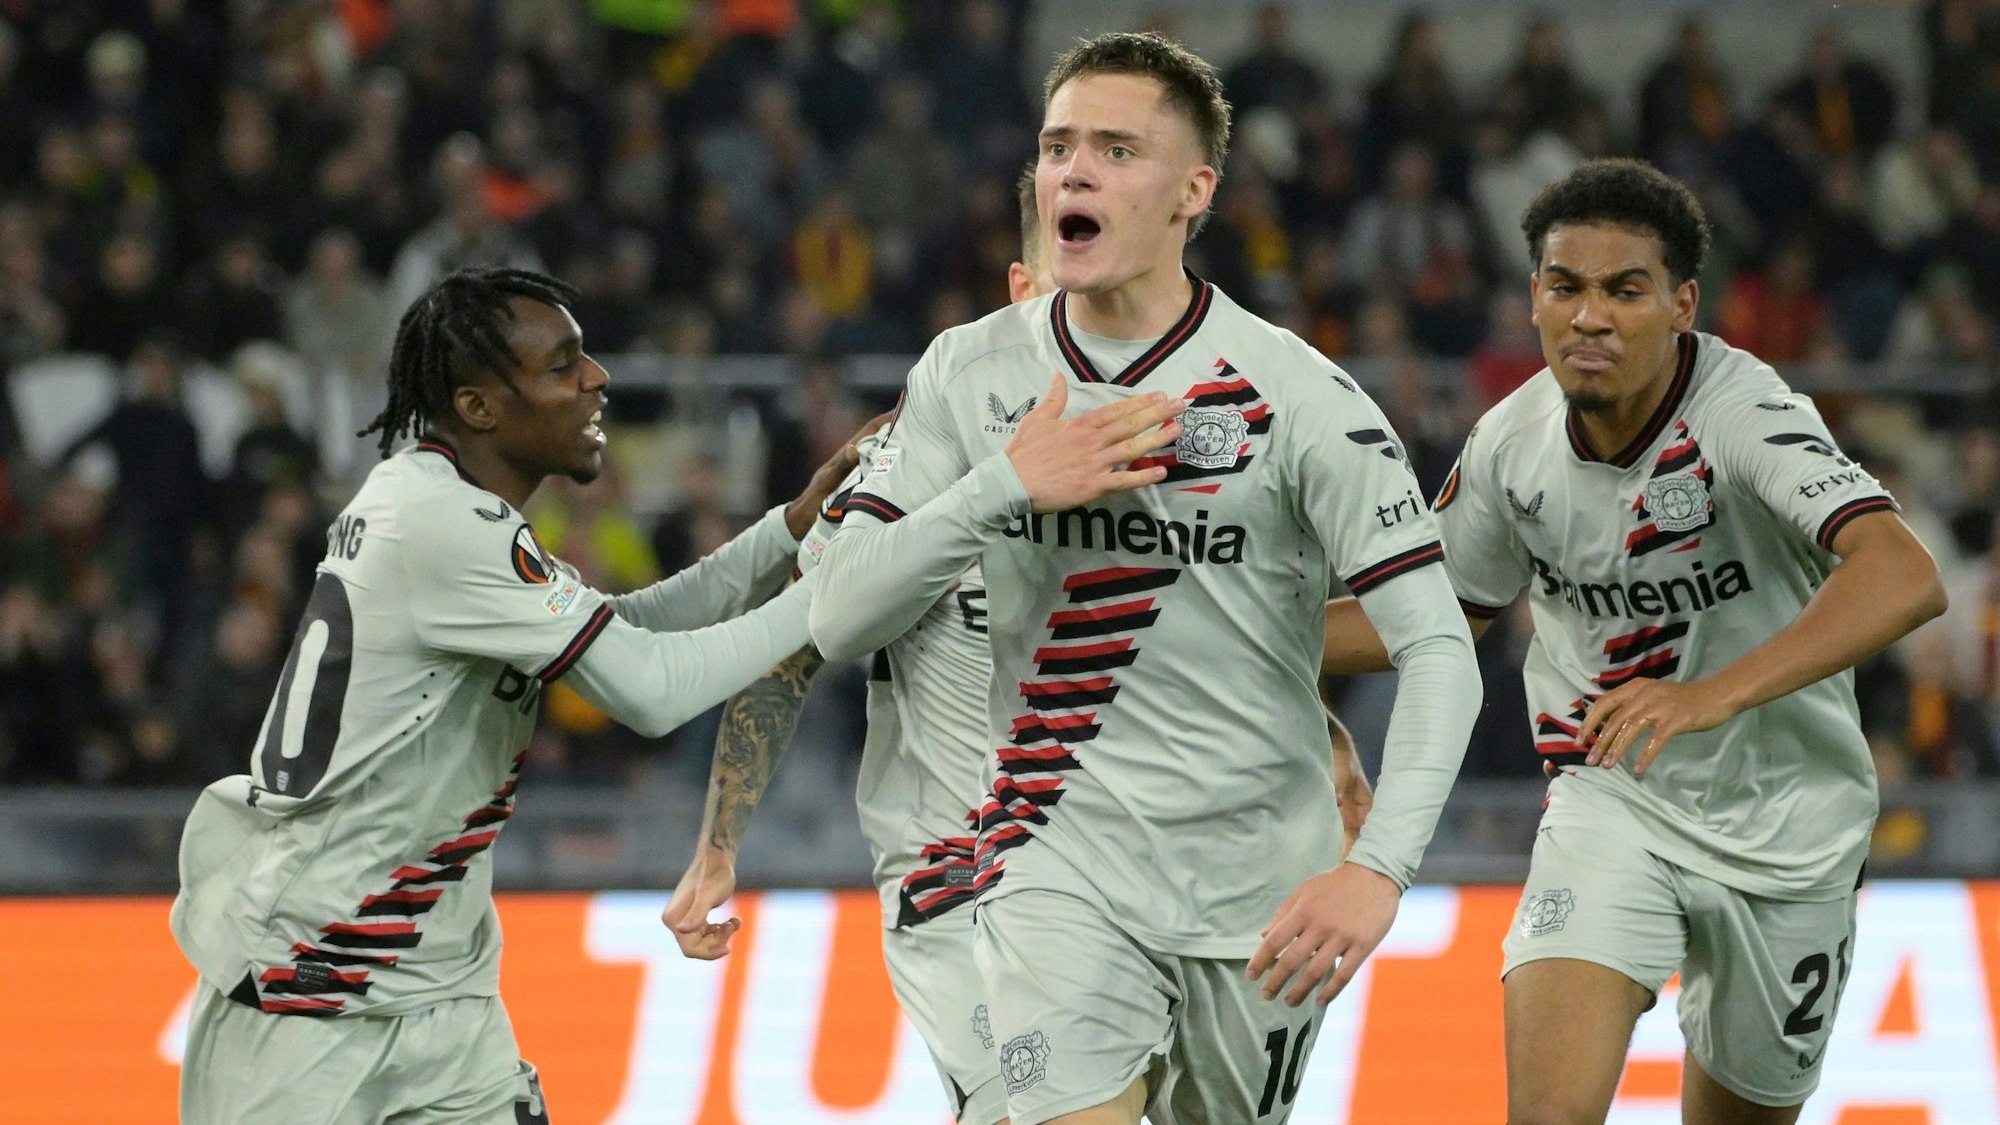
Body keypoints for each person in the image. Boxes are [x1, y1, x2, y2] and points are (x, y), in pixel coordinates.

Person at [811, 32, 1478, 1125]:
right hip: (1046, 862)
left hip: (1258, 890)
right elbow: (837, 616)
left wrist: (1379, 872)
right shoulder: (967, 372)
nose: (1072, 171)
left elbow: (1438, 651)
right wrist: (1001, 487)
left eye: (1117, 150)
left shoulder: (1298, 397)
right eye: (1056, 146)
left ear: (1192, 191)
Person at [663, 162, 1384, 1125]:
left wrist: (1323, 739)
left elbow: (1208, 640)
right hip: (960, 874)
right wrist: (718, 843)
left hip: (1159, 864)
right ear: (1019, 287)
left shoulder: (1165, 443)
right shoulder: (916, 448)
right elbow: (790, 645)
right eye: (1070, 284)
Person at [1319, 159, 1947, 1124]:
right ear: (1533, 296)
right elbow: (1436, 613)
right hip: (1613, 803)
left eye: (1626, 289)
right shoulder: (1507, 445)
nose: (1591, 317)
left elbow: (1905, 574)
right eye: (1566, 286)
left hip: (1791, 824)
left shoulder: (1747, 415)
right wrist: (1252, 640)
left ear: (1682, 304)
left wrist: (1711, 694)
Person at [170, 267, 861, 1124]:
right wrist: (833, 588)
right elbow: (647, 690)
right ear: (480, 407)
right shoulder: (442, 525)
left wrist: (785, 532)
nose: (597, 377)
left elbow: (620, 630)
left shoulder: (436, 505)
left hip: (438, 993)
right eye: (562, 363)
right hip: (309, 997)